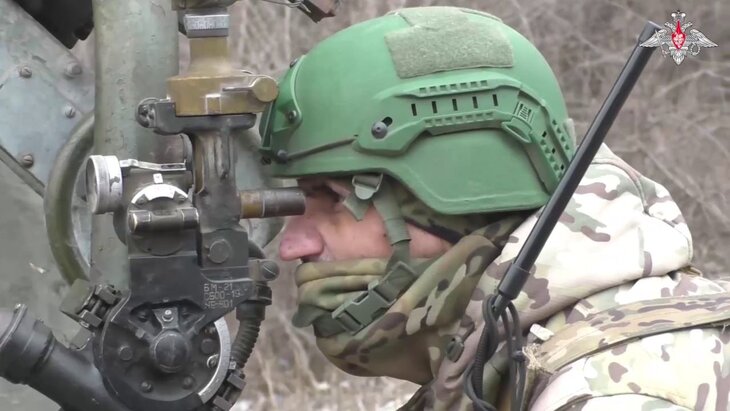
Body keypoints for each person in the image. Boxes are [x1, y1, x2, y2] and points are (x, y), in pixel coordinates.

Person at [258, 6, 730, 410]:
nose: (292, 245)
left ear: (461, 189)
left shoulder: (615, 391)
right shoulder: (496, 353)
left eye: (333, 199)